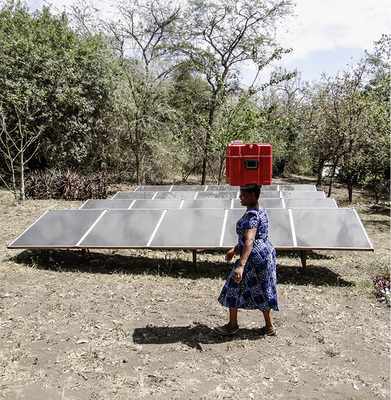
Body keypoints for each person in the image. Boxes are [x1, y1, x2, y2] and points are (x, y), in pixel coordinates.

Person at [214, 183, 279, 336]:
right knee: (263, 289)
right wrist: (236, 248)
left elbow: (249, 241)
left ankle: (232, 325)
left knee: (233, 286)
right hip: (265, 254)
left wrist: (241, 265)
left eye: (243, 195)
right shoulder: (261, 211)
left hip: (253, 258)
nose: (240, 198)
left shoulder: (252, 216)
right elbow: (250, 237)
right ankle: (269, 327)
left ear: (252, 196)